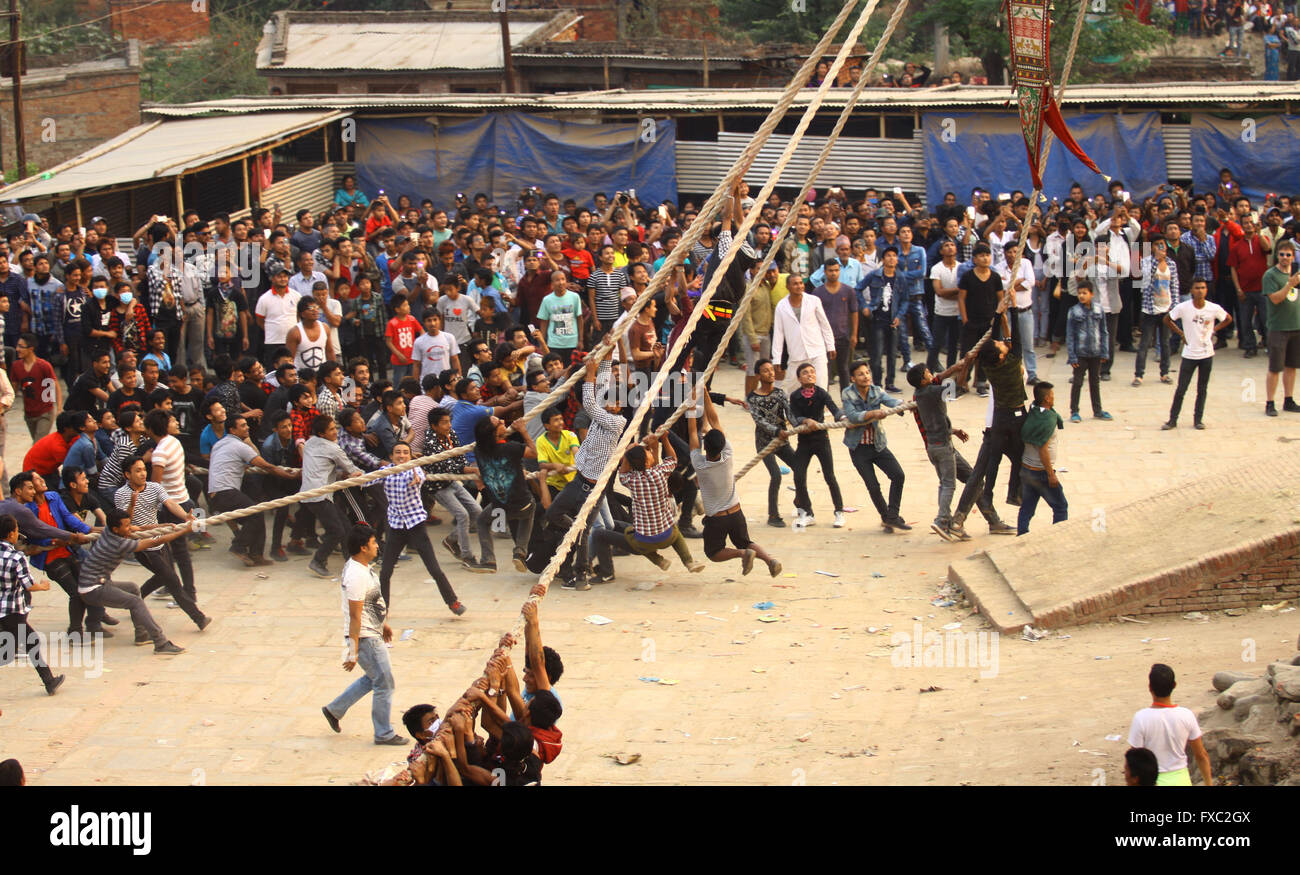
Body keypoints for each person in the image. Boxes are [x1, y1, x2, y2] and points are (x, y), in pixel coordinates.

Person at [321, 525, 407, 747]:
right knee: (384, 683)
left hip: (373, 630)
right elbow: (355, 615)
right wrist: (353, 651)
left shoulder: (362, 568)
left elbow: (372, 603)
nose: (377, 546)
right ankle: (384, 733)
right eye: (373, 543)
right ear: (362, 547)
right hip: (367, 637)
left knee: (374, 678)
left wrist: (384, 623)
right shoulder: (356, 575)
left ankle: (335, 710)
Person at [906, 356, 1005, 542]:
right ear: (923, 380)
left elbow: (935, 418)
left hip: (939, 446)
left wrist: (955, 368)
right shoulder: (933, 392)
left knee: (974, 480)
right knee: (948, 484)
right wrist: (963, 369)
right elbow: (956, 389)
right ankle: (943, 520)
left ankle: (992, 521)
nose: (931, 373)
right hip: (942, 447)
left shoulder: (920, 394)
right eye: (928, 372)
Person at [688, 391, 781, 576]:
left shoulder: (700, 464)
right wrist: (704, 392)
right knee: (745, 540)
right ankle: (771, 560)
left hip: (717, 518)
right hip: (736, 511)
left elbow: (692, 431)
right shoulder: (728, 453)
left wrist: (691, 403)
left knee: (713, 552)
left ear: (705, 447)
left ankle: (742, 554)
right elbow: (714, 419)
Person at [76, 508, 190, 655]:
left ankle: (141, 634)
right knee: (135, 602)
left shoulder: (108, 531)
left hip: (97, 583)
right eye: (127, 526)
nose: (130, 528)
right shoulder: (119, 543)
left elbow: (141, 529)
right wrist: (185, 530)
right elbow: (154, 542)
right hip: (93, 589)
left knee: (133, 588)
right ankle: (160, 642)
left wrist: (164, 526)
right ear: (116, 529)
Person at [116, 457, 210, 632]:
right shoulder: (121, 494)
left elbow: (170, 503)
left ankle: (134, 599)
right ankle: (199, 618)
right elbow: (124, 523)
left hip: (160, 541)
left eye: (144, 469)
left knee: (163, 576)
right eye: (137, 470)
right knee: (172, 580)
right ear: (127, 474)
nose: (143, 473)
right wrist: (132, 503)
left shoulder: (154, 487)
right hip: (143, 546)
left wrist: (185, 517)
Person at [592, 431, 702, 580]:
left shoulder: (631, 480)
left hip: (643, 543)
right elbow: (672, 458)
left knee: (601, 532)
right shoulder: (661, 473)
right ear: (647, 461)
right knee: (673, 528)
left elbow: (623, 471)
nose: (650, 452)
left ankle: (656, 560)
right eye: (648, 452)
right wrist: (664, 439)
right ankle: (688, 561)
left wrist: (627, 453)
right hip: (668, 537)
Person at [378, 441, 465, 615]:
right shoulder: (385, 473)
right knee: (385, 571)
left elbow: (418, 475)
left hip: (416, 525)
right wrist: (355, 476)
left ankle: (453, 602)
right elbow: (366, 480)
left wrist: (415, 474)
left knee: (434, 568)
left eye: (405, 453)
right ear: (391, 457)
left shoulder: (415, 469)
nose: (401, 456)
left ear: (410, 456)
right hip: (396, 526)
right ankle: (382, 608)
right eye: (398, 453)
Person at [208, 415, 294, 566]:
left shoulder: (219, 444)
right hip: (225, 492)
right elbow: (266, 465)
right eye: (242, 425)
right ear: (232, 430)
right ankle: (238, 546)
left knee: (255, 516)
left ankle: (256, 555)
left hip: (215, 495)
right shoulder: (240, 446)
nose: (247, 427)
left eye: (246, 424)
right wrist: (291, 476)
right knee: (256, 514)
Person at [840, 359, 910, 533]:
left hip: (878, 445)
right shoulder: (847, 394)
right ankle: (886, 517)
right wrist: (872, 413)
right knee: (873, 486)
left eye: (867, 373)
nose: (865, 377)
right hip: (858, 448)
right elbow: (852, 416)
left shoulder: (876, 391)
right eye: (860, 374)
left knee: (898, 475)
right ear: (853, 379)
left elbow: (891, 402)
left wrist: (902, 405)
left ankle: (892, 516)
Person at [0, 514, 65, 695]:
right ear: (12, 533)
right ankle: (49, 681)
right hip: (12, 609)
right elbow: (28, 585)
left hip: (6, 610)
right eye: (16, 530)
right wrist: (43, 587)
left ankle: (49, 681)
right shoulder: (16, 557)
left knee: (15, 646)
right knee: (26, 643)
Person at [1162, 279, 1233, 430]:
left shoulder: (1213, 308)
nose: (1200, 290)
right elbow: (1167, 319)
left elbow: (1228, 319)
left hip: (1206, 353)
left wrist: (1215, 329)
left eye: (1203, 288)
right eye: (1197, 288)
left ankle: (1198, 420)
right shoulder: (1183, 307)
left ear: (1206, 290)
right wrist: (1180, 333)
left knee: (1202, 389)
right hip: (1189, 354)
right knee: (1181, 388)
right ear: (1192, 291)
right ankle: (1172, 420)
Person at [1127, 663, 1214, 786]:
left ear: (1150, 687)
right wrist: (1208, 783)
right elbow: (1201, 755)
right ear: (1174, 685)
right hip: (1181, 780)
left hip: (1152, 781)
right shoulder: (1186, 715)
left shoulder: (1140, 718)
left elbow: (1135, 761)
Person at [472, 416, 537, 574]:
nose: (503, 421)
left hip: (500, 507)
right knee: (529, 511)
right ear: (495, 434)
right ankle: (520, 551)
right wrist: (523, 430)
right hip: (523, 503)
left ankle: (488, 560)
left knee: (482, 521)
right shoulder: (511, 448)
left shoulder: (478, 451)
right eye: (499, 423)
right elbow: (534, 453)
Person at [300, 414, 363, 578]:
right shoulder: (333, 448)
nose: (335, 432)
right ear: (322, 434)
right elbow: (352, 469)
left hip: (310, 493)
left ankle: (352, 562)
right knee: (337, 531)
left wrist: (337, 474)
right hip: (320, 495)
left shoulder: (309, 443)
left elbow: (321, 466)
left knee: (345, 526)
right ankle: (318, 561)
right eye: (331, 429)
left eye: (335, 427)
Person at [787, 361, 846, 528]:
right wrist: (805, 421)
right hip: (804, 441)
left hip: (821, 439)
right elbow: (793, 417)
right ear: (799, 378)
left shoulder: (821, 393)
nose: (810, 374)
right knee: (799, 477)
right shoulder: (795, 396)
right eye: (805, 372)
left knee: (829, 476)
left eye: (812, 371)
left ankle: (839, 512)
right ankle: (807, 513)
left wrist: (842, 418)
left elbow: (834, 409)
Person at [423, 407, 483, 568]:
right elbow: (446, 465)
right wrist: (472, 470)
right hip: (438, 486)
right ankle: (467, 556)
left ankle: (451, 540)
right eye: (444, 423)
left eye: (449, 421)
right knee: (462, 515)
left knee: (477, 511)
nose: (449, 425)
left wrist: (468, 469)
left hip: (452, 481)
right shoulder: (429, 442)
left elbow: (460, 456)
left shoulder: (451, 434)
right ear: (434, 426)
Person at [746, 359, 797, 527]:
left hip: (782, 441)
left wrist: (799, 426)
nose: (771, 373)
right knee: (775, 475)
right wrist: (776, 431)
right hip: (765, 443)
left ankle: (801, 501)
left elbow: (789, 413)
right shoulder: (752, 398)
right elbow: (759, 420)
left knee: (799, 467)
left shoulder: (780, 393)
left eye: (771, 370)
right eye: (766, 371)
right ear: (759, 375)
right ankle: (773, 515)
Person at [1017, 381, 1067, 535]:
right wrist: (1051, 474)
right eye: (1052, 395)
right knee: (1060, 506)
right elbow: (1042, 449)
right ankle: (1058, 536)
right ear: (1046, 399)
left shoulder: (1034, 411)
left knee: (1027, 507)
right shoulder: (1047, 421)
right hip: (1040, 472)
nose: (1053, 398)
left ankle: (1022, 534)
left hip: (1026, 470)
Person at [771, 274, 835, 393]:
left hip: (816, 350)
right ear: (788, 287)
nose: (799, 286)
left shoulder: (814, 301)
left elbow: (824, 324)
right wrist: (776, 359)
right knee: (793, 388)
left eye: (801, 283)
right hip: (796, 352)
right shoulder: (781, 306)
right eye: (795, 284)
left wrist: (830, 345)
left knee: (821, 385)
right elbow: (778, 334)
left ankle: (820, 410)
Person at [1261, 239, 1300, 416]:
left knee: (1292, 366)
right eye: (1282, 254)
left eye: (1288, 255)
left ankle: (1289, 400)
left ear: (1293, 257)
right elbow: (1275, 299)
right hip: (1278, 327)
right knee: (1275, 367)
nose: (1285, 258)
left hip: (1296, 326)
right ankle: (1270, 402)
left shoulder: (1296, 275)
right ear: (1277, 255)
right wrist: (1289, 284)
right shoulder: (1270, 275)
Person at [1066, 281, 1112, 423]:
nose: (1081, 296)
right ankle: (1074, 411)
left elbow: (1104, 332)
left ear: (1092, 294)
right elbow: (1070, 335)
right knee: (1078, 382)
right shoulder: (1074, 311)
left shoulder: (1099, 309)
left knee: (1095, 382)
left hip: (1096, 353)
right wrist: (1072, 356)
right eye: (1079, 293)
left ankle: (1097, 411)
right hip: (1080, 354)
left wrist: (1104, 352)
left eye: (1085, 293)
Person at [10, 332, 60, 440]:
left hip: (45, 413)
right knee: (38, 445)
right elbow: (12, 389)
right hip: (29, 413)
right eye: (17, 346)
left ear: (31, 349)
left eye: (21, 346)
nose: (17, 349)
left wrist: (59, 408)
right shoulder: (16, 366)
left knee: (38, 443)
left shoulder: (44, 366)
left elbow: (55, 386)